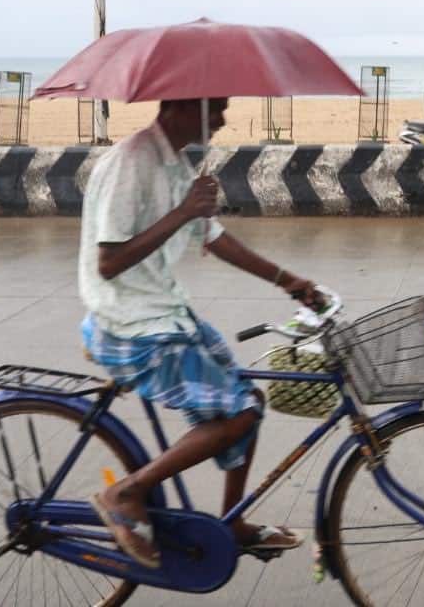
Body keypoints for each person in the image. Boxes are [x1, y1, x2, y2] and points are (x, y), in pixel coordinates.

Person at [80, 96, 319, 568]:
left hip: (164, 313)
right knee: (238, 412)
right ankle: (126, 494)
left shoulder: (174, 166)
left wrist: (288, 281)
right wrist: (184, 212)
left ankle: (232, 519)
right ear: (182, 108)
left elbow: (214, 237)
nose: (225, 119)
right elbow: (107, 262)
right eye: (218, 110)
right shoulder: (132, 162)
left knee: (248, 399)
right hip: (129, 325)